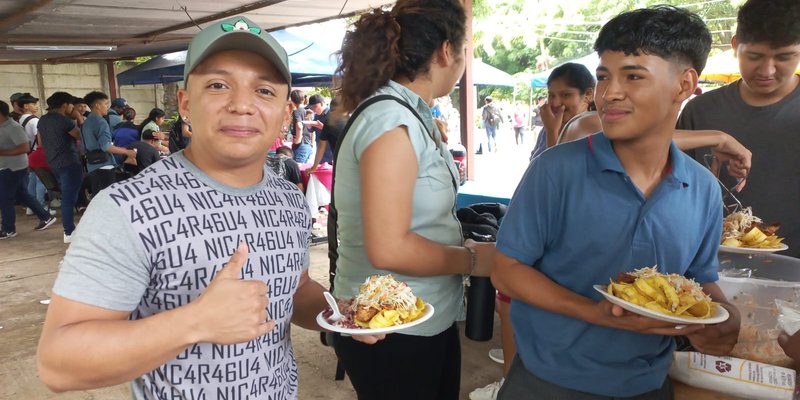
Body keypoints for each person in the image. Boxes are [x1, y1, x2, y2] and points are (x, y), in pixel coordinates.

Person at [36, 15, 334, 399]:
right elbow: (59, 364)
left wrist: (342, 315)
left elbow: (297, 289)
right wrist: (194, 322)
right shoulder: (127, 208)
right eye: (218, 85)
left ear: (283, 112)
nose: (242, 104)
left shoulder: (290, 200)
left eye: (264, 90)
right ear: (186, 104)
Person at [492, 7, 742, 399]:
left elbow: (699, 278)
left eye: (634, 76)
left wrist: (723, 313)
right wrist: (593, 312)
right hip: (548, 381)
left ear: (684, 84)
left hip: (647, 384)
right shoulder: (556, 171)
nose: (610, 93)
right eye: (604, 76)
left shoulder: (703, 190)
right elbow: (506, 270)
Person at [331, 1, 495, 399]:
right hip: (390, 328)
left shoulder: (409, 114)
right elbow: (389, 246)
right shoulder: (391, 120)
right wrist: (473, 259)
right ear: (445, 50)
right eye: (465, 48)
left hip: (420, 316)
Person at [678, 0, 800, 258]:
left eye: (784, 57)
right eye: (754, 56)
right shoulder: (700, 111)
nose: (767, 70)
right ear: (735, 46)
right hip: (711, 268)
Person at [0, 100, 57, 239]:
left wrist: (3, 152)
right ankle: (45, 217)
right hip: (7, 167)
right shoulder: (2, 127)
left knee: (5, 198)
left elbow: (25, 147)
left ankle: (8, 229)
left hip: (13, 167)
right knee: (22, 195)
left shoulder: (12, 127)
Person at [37, 92, 85, 244]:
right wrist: (78, 117)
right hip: (70, 162)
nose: (73, 107)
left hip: (54, 162)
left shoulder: (42, 120)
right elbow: (80, 136)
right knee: (69, 198)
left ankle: (70, 228)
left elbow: (41, 143)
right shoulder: (65, 121)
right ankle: (69, 231)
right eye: (72, 104)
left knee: (69, 195)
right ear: (65, 104)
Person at [529, 63, 595, 161]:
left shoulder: (594, 133)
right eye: (551, 95)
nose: (555, 103)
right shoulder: (548, 128)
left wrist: (552, 133)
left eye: (565, 95)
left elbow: (557, 171)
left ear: (588, 94)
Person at [79, 91, 137, 195]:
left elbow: (82, 148)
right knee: (108, 198)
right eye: (105, 104)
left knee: (98, 197)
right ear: (97, 105)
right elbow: (106, 146)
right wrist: (127, 152)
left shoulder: (85, 123)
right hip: (105, 165)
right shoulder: (101, 122)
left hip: (91, 165)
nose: (107, 107)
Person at [17, 93, 55, 216]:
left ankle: (31, 207)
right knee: (41, 180)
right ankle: (40, 205)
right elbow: (40, 138)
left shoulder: (20, 120)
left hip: (29, 154)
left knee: (32, 180)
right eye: (34, 104)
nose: (36, 106)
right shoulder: (34, 121)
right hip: (37, 153)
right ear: (26, 106)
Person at [307, 96, 346, 175]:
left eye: (315, 106)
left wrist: (314, 167)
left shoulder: (330, 119)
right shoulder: (350, 120)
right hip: (337, 158)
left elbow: (322, 145)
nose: (314, 109)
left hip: (333, 156)